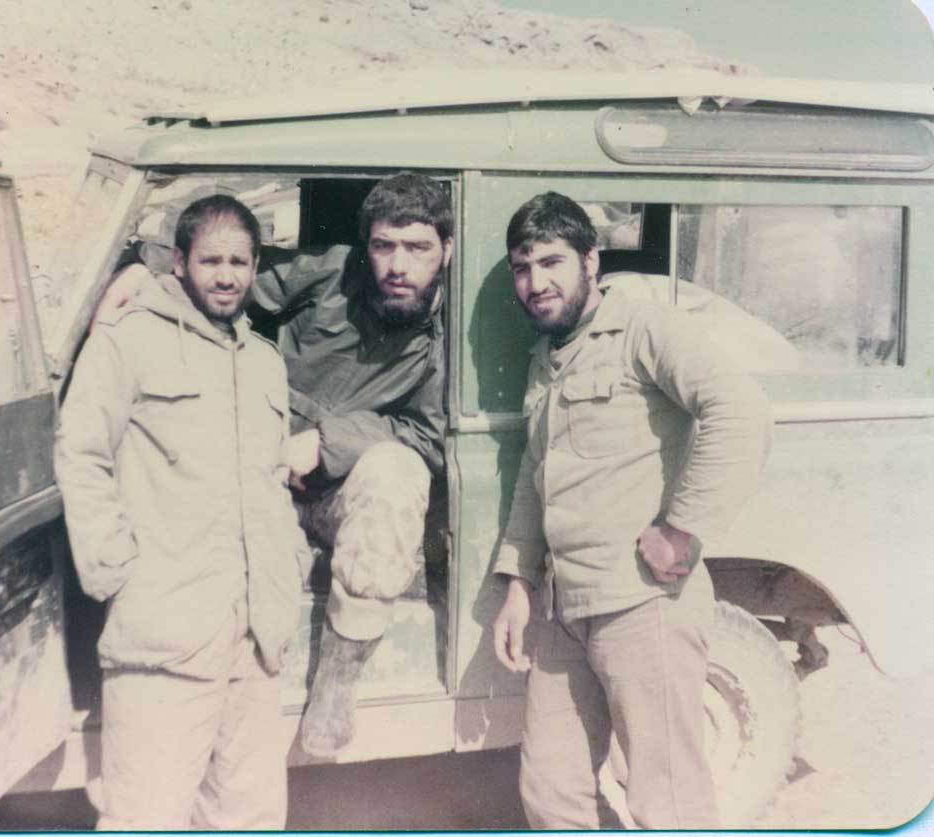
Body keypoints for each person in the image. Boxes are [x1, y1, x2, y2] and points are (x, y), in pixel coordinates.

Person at [101, 173, 452, 758]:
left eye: (417, 248)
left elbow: (427, 435)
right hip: (264, 474)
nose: (397, 266)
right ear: (365, 246)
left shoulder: (446, 336)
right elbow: (229, 278)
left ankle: (339, 677)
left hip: (343, 495)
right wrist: (149, 267)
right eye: (384, 246)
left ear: (446, 250)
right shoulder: (330, 271)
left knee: (398, 473)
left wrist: (327, 442)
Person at [490, 192, 772, 829]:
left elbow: (740, 409)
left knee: (666, 803)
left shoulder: (644, 329)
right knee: (550, 792)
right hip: (566, 611)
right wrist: (518, 584)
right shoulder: (547, 356)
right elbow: (536, 476)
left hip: (644, 607)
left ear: (591, 261)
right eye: (522, 268)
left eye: (552, 262)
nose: (536, 283)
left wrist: (682, 528)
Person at [54, 194, 304, 829]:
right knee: (146, 815)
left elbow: (273, 482)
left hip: (254, 639)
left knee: (248, 817)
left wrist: (288, 568)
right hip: (164, 633)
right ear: (180, 262)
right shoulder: (128, 342)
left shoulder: (264, 362)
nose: (226, 277)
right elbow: (81, 453)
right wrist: (117, 571)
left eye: (239, 262)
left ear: (256, 267)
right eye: (211, 261)